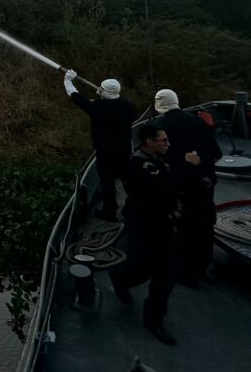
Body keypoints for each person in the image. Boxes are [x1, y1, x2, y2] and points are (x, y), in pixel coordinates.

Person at [109, 123, 200, 345]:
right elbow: (164, 188)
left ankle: (153, 319)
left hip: (163, 225)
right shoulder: (140, 165)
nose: (168, 144)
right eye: (163, 141)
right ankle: (120, 278)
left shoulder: (159, 160)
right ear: (149, 142)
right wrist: (189, 167)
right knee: (141, 266)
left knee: (165, 273)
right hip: (144, 224)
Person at [153, 89, 222, 286]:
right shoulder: (198, 121)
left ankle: (183, 272)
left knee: (182, 227)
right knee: (204, 226)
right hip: (205, 184)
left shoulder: (160, 126)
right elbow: (216, 153)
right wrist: (200, 162)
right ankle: (201, 268)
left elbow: (158, 159)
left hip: (181, 186)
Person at [61, 69, 136, 220]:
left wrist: (68, 80)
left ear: (105, 92)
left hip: (105, 153)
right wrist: (101, 96)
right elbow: (111, 105)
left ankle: (110, 212)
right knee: (128, 181)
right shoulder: (128, 106)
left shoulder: (97, 108)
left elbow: (75, 96)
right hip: (124, 150)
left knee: (107, 183)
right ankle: (136, 206)